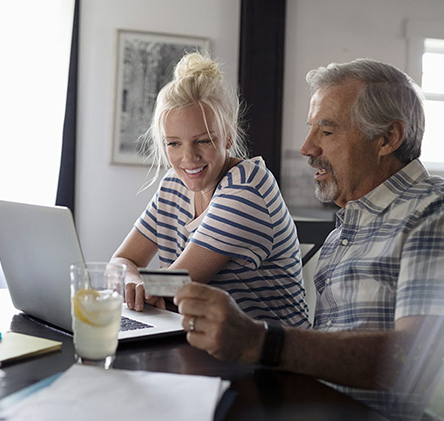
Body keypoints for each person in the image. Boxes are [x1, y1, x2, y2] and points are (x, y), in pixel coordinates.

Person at [173, 58, 444, 419]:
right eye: (311, 129)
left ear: (387, 138)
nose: (306, 147)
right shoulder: (346, 228)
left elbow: (422, 356)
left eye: (327, 132)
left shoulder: (442, 208)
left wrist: (260, 340)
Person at [110, 52, 310, 328]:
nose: (188, 158)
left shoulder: (246, 188)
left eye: (202, 141)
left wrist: (142, 284)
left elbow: (175, 285)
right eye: (173, 144)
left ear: (228, 136)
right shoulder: (172, 185)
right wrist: (131, 279)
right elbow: (121, 261)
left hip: (270, 357)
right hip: (201, 342)